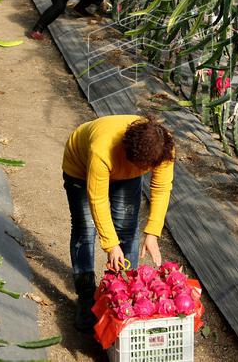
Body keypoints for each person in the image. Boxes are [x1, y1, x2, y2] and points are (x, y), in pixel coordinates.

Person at [62, 113, 175, 330]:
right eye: (143, 167)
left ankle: (125, 293)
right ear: (129, 154)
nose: (146, 171)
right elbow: (97, 199)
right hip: (80, 169)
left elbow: (161, 188)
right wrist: (111, 245)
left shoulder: (163, 147)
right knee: (85, 229)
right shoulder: (102, 149)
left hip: (125, 173)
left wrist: (152, 232)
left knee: (127, 228)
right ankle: (86, 296)